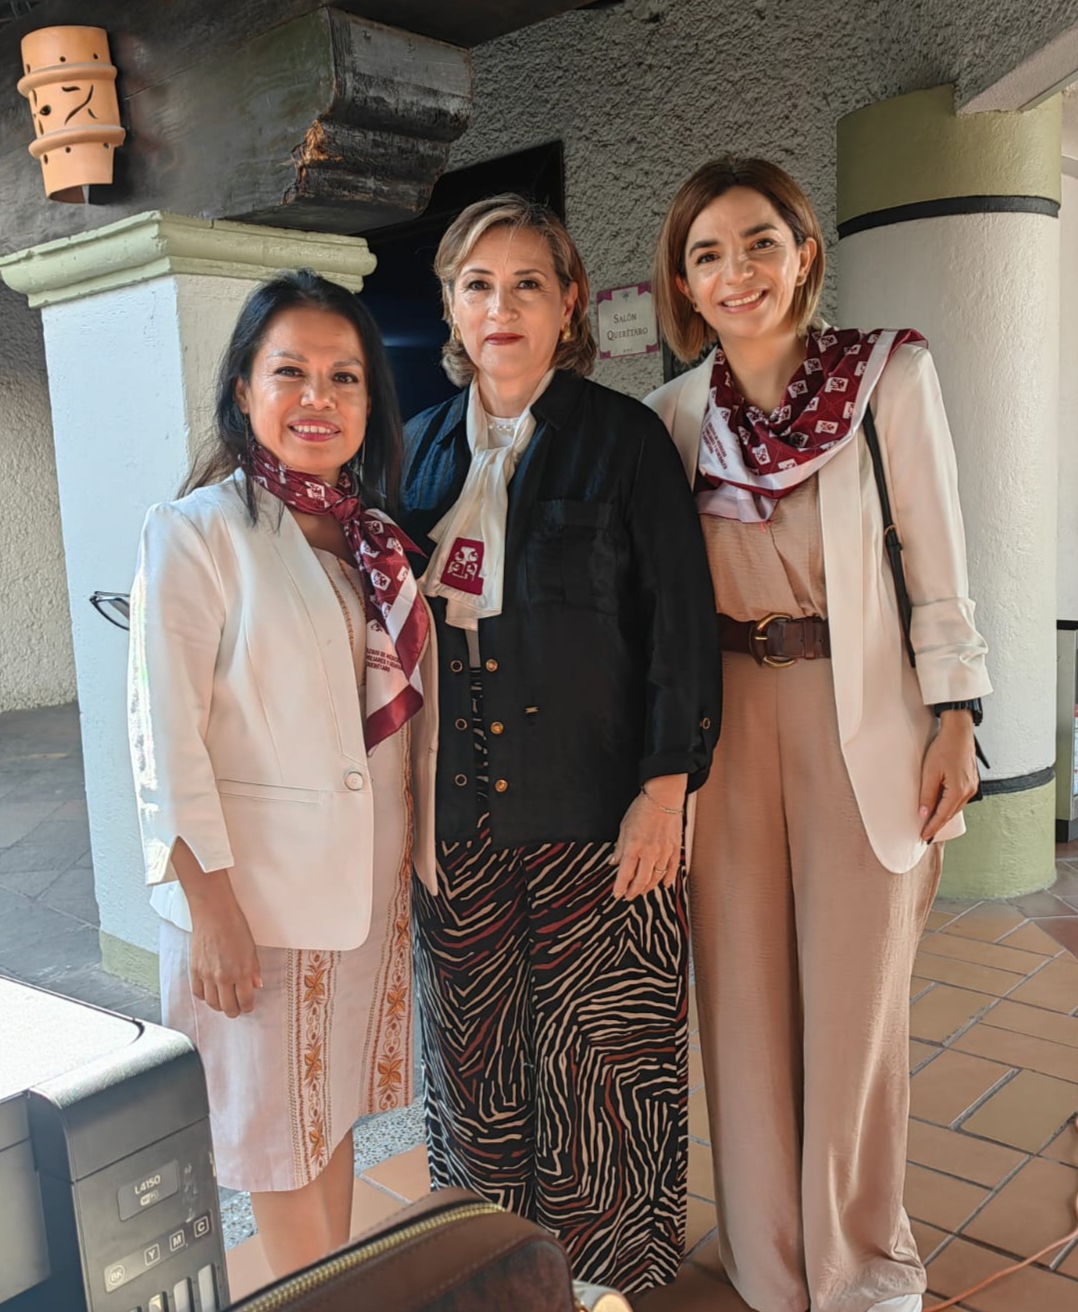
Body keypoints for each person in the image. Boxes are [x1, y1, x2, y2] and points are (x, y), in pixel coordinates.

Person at [646, 157, 992, 1312]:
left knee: (853, 1005)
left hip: (862, 711)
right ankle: (766, 1255)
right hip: (726, 727)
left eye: (756, 243)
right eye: (707, 254)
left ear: (804, 252)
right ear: (683, 287)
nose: (735, 272)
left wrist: (956, 714)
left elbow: (934, 553)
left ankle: (854, 1263)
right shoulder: (673, 418)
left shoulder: (884, 375)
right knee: (739, 1001)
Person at [400, 194, 720, 1295]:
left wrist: (665, 787)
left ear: (569, 300)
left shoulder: (623, 439)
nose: (501, 306)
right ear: (449, 303)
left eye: (527, 283)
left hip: (597, 806)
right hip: (456, 819)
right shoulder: (413, 450)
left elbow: (680, 628)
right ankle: (497, 1274)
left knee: (602, 1057)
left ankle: (607, 1281)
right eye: (477, 285)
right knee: (477, 1060)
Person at [127, 270, 438, 1280]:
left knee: (330, 1117)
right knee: (275, 1138)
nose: (318, 397)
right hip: (256, 901)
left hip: (359, 894)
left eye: (344, 377)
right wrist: (205, 898)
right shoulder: (197, 533)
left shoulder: (370, 539)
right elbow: (160, 735)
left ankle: (330, 1287)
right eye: (290, 372)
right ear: (244, 392)